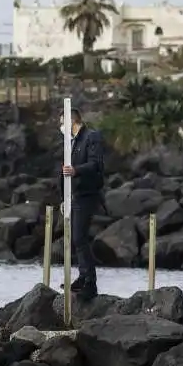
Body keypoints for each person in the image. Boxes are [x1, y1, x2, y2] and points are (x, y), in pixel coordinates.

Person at [60, 106, 105, 302]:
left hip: (88, 193)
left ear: (72, 122)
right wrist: (64, 197)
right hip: (75, 194)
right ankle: (83, 276)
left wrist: (76, 171)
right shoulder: (72, 142)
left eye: (62, 122)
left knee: (80, 237)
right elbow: (63, 171)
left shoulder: (91, 137)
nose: (60, 126)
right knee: (76, 239)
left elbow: (95, 164)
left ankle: (90, 282)